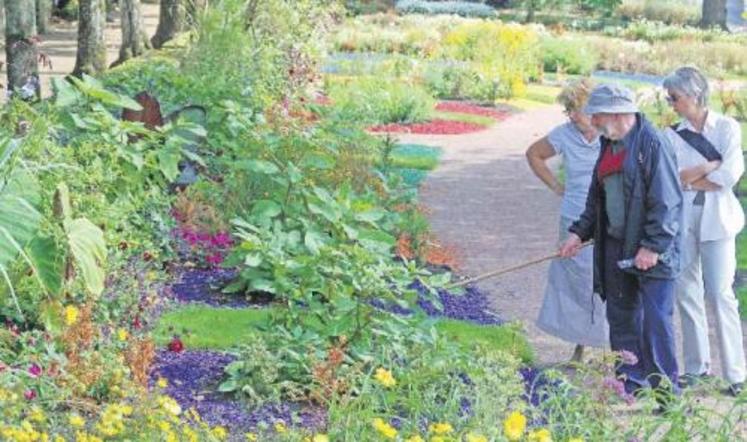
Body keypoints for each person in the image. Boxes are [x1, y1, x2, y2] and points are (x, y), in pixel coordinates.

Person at [559, 84, 684, 400]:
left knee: (655, 324)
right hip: (616, 244)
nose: (594, 122)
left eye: (597, 116)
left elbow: (667, 202)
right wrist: (578, 232)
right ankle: (631, 385)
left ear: (616, 114)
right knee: (621, 317)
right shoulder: (608, 143)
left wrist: (652, 246)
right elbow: (597, 197)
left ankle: (667, 396)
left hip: (652, 251)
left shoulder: (652, 144)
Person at [662, 66, 745, 397]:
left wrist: (692, 178)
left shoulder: (726, 127)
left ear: (694, 95)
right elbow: (672, 178)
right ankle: (697, 369)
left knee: (721, 294)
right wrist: (706, 168)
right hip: (683, 221)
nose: (671, 103)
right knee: (687, 292)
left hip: (718, 221)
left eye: (675, 98)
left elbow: (731, 175)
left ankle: (736, 374)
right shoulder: (671, 134)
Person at [526, 79, 609, 362]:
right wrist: (555, 186)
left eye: (578, 109)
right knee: (578, 281)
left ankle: (616, 346)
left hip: (608, 217)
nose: (573, 116)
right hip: (573, 216)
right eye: (569, 110)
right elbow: (534, 154)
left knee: (609, 278)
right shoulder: (564, 134)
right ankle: (581, 345)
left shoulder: (611, 133)